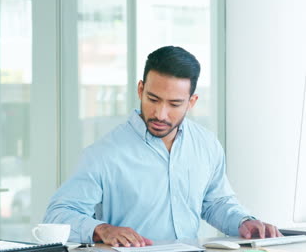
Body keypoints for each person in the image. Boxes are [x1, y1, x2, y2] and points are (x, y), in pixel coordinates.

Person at [43, 46, 282, 247]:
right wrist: (103, 230)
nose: (160, 114)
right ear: (140, 90)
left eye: (174, 104)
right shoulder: (103, 154)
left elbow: (215, 202)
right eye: (153, 99)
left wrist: (244, 221)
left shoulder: (206, 145)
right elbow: (57, 216)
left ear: (192, 102)